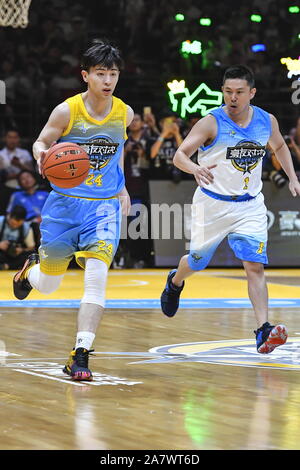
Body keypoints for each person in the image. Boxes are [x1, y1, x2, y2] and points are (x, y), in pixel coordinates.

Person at [13, 41, 133, 381]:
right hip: (65, 205)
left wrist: (121, 186)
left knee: (97, 275)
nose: (108, 80)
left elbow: (119, 152)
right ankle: (29, 272)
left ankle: (80, 354)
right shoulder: (67, 111)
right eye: (100, 74)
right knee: (49, 284)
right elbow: (41, 141)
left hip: (104, 205)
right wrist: (41, 154)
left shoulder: (125, 113)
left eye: (113, 74)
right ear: (86, 75)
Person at [160, 65, 300, 354]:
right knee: (197, 261)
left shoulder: (266, 120)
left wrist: (293, 177)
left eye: (238, 92)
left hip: (249, 205)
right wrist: (195, 168)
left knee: (254, 266)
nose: (232, 98)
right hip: (212, 203)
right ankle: (174, 282)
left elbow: (280, 148)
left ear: (252, 92)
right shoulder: (211, 122)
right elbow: (179, 155)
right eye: (227, 92)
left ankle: (263, 330)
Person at [0, 205, 35, 271]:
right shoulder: (1, 221)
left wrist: (21, 250)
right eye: (13, 224)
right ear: (9, 216)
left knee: (32, 254)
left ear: (23, 220)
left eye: (18, 224)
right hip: (1, 253)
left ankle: (7, 266)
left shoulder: (26, 228)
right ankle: (12, 266)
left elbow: (31, 247)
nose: (15, 226)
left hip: (15, 256)